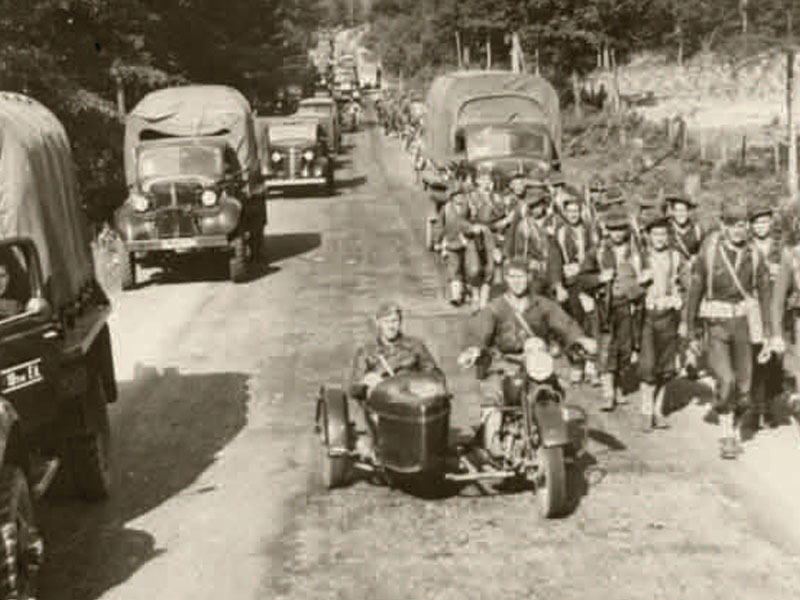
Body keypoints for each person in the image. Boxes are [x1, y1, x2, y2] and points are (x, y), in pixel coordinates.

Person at [458, 258, 596, 457]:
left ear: (529, 278)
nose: (517, 281)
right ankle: (493, 440)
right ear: (505, 279)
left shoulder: (543, 305)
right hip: (504, 363)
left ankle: (557, 431)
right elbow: (479, 331)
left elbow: (564, 323)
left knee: (555, 392)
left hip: (536, 361)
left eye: (521, 277)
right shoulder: (496, 307)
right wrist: (472, 350)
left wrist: (581, 339)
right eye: (512, 277)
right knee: (493, 398)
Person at [685, 198, 772, 459]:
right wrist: (689, 329)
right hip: (716, 324)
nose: (738, 230)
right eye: (732, 225)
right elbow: (695, 290)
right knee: (727, 379)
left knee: (744, 386)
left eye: (742, 225)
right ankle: (727, 435)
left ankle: (733, 421)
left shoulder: (754, 255)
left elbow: (765, 294)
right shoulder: (709, 253)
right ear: (723, 225)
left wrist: (768, 334)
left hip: (743, 324)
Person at [586, 205, 650, 410]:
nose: (617, 233)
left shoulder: (638, 251)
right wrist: (598, 278)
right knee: (606, 347)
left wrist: (640, 282)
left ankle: (619, 386)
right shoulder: (598, 251)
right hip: (605, 306)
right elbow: (582, 278)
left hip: (629, 305)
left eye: (621, 229)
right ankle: (608, 392)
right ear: (607, 230)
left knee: (625, 348)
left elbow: (649, 275)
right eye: (613, 229)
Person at [638, 212, 684, 431]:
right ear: (648, 236)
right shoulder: (639, 257)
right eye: (655, 234)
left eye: (663, 234)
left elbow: (686, 283)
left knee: (666, 366)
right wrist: (639, 282)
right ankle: (646, 411)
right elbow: (626, 284)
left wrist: (679, 297)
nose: (659, 238)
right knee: (648, 364)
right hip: (647, 316)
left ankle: (658, 409)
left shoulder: (676, 257)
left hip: (669, 316)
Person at [554, 186, 600, 385]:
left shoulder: (590, 231)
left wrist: (582, 267)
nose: (573, 215)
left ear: (582, 212)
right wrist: (558, 283)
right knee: (573, 324)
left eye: (576, 211)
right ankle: (576, 364)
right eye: (569, 212)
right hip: (570, 284)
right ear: (564, 213)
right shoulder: (560, 233)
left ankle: (591, 364)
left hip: (587, 282)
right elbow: (555, 260)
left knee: (591, 322)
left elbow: (596, 254)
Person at [351, 302, 444, 394]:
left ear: (400, 322)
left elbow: (435, 375)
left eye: (394, 321)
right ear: (378, 323)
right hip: (383, 401)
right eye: (386, 322)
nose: (391, 326)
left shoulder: (415, 346)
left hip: (411, 397)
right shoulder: (366, 351)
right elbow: (354, 389)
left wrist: (424, 384)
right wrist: (365, 383)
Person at [747, 199, 783, 431]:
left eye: (764, 222)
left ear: (771, 223)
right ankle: (756, 409)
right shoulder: (747, 247)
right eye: (756, 223)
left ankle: (769, 406)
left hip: (777, 306)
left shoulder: (781, 247)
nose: (761, 227)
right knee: (755, 356)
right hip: (754, 307)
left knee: (775, 361)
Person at [503, 186, 565, 300]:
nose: (535, 209)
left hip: (556, 266)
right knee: (534, 289)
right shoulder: (524, 226)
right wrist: (530, 263)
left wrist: (553, 235)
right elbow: (520, 253)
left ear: (544, 204)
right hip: (535, 269)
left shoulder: (556, 221)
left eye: (537, 205)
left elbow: (563, 249)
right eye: (531, 206)